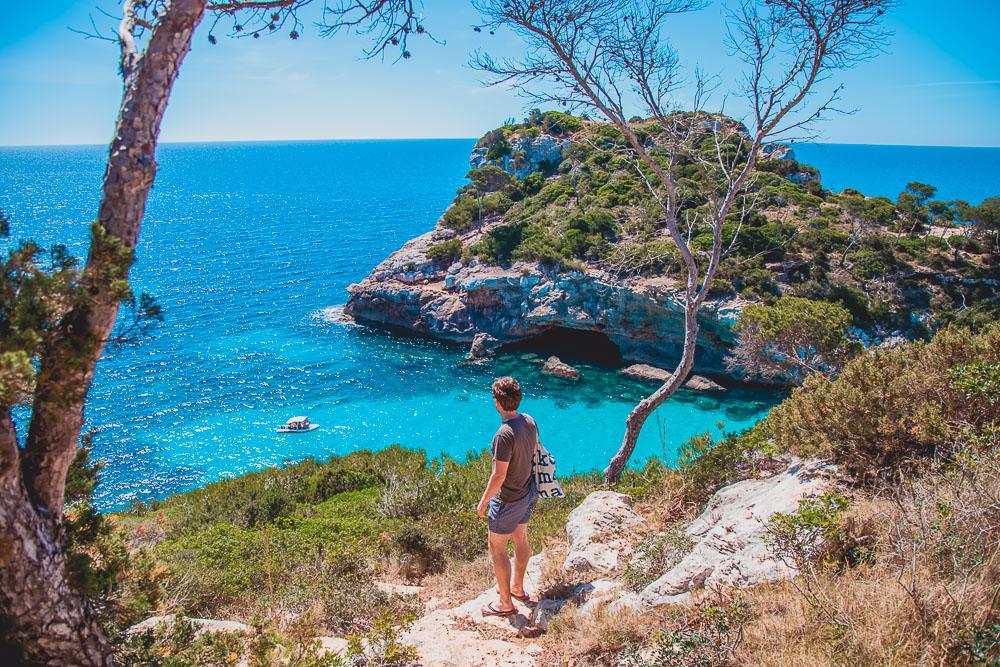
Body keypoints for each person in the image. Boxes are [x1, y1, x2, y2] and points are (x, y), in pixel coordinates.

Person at [476, 376, 539, 617]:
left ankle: (505, 604)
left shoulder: (504, 434)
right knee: (520, 538)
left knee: (497, 548)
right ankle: (518, 589)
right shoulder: (529, 421)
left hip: (508, 499)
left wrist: (483, 502)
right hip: (527, 491)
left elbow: (498, 476)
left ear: (497, 402)